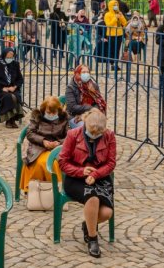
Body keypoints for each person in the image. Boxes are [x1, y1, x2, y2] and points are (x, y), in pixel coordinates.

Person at [58, 108, 116, 258]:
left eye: (98, 134)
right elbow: (62, 162)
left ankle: (87, 225)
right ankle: (93, 239)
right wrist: (81, 171)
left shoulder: (109, 136)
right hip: (75, 178)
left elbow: (111, 163)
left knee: (107, 213)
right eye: (92, 133)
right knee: (93, 197)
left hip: (100, 178)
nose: (94, 136)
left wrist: (96, 174)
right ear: (85, 124)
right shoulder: (73, 135)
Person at [20, 97, 67, 193]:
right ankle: (35, 190)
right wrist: (43, 141)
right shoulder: (37, 116)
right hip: (39, 146)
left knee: (54, 163)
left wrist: (59, 143)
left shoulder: (64, 118)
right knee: (39, 163)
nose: (51, 115)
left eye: (54, 113)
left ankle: (56, 190)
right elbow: (30, 133)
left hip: (57, 147)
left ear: (58, 111)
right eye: (49, 113)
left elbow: (70, 136)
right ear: (44, 110)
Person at [0, 47, 24, 129]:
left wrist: (14, 87)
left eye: (11, 57)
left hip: (12, 88)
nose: (10, 59)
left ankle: (12, 120)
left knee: (16, 96)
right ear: (4, 56)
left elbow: (20, 79)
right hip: (0, 89)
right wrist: (2, 88)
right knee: (8, 97)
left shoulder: (15, 64)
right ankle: (9, 120)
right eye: (8, 57)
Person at [102, 0, 127, 68]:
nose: (116, 6)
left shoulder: (119, 13)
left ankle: (116, 63)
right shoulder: (107, 14)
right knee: (112, 49)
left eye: (117, 5)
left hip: (119, 34)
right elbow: (108, 25)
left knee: (117, 49)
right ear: (110, 6)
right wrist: (115, 18)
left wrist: (121, 16)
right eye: (114, 5)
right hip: (111, 35)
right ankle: (111, 63)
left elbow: (124, 23)